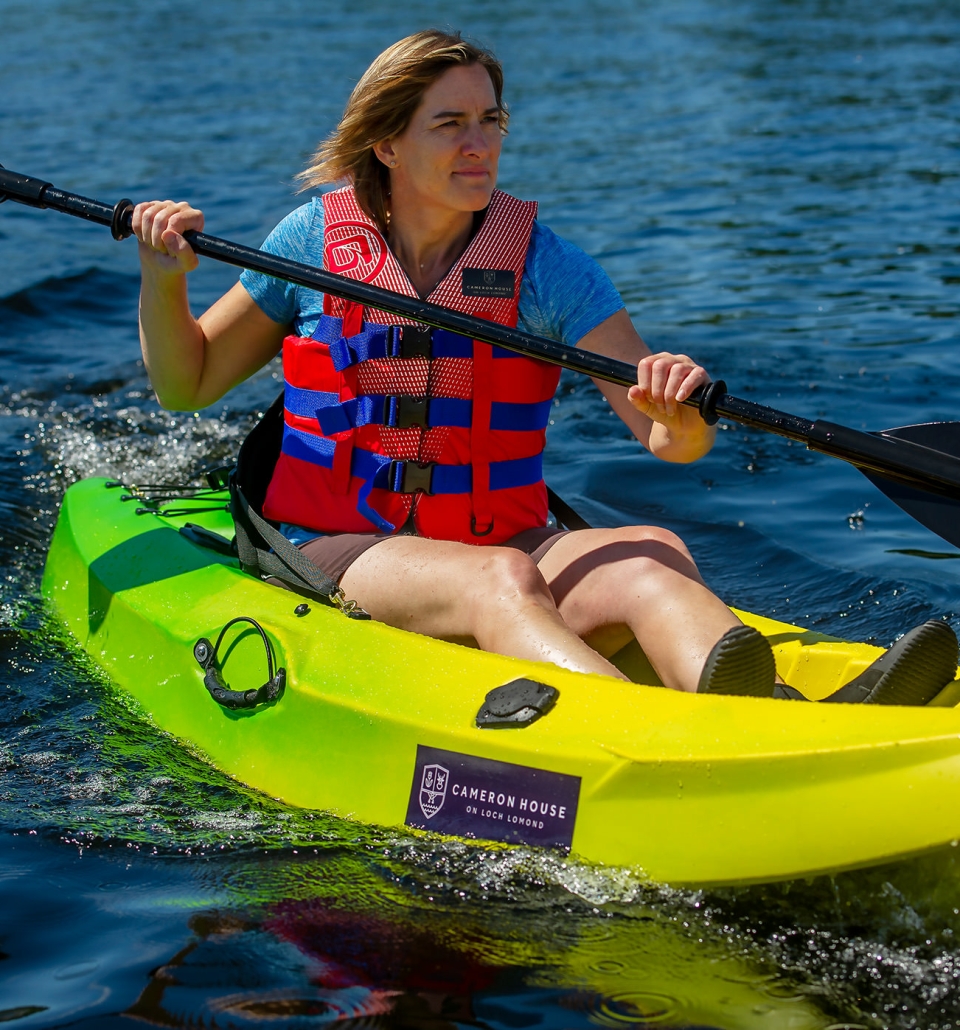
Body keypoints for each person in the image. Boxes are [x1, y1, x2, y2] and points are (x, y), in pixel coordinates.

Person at [132, 29, 957, 704]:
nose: (479, 143)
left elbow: (668, 443)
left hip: (507, 531)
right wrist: (163, 283)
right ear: (385, 142)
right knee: (500, 579)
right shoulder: (312, 243)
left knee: (650, 552)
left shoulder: (546, 267)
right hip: (343, 544)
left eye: (491, 120)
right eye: (449, 124)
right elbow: (186, 384)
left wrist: (677, 415)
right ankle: (649, 738)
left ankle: (785, 719)